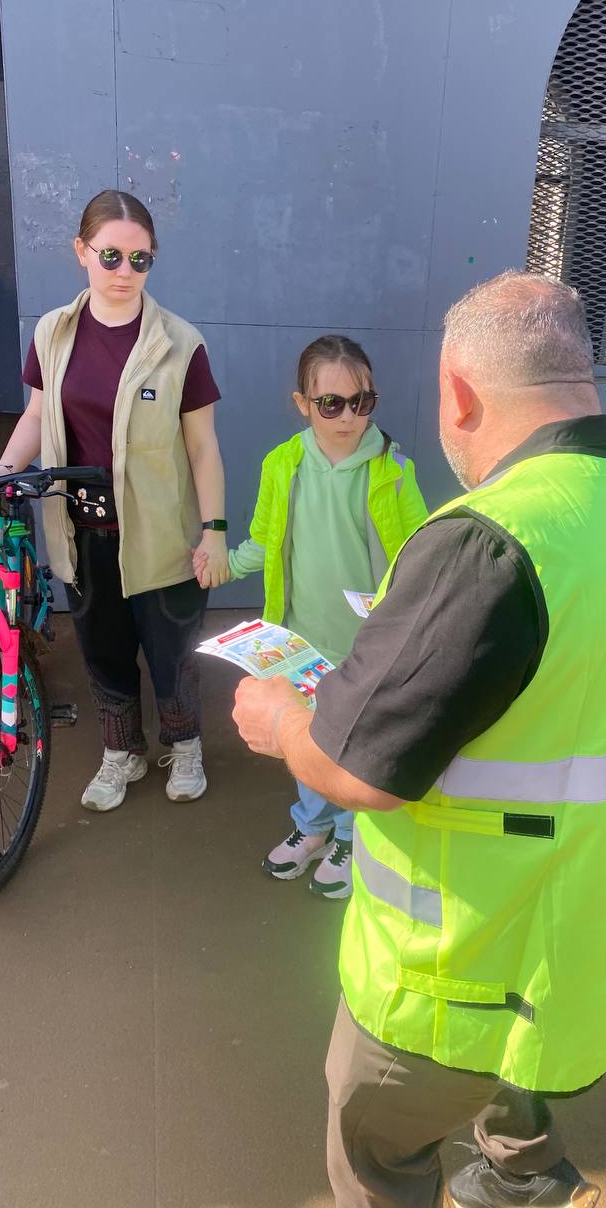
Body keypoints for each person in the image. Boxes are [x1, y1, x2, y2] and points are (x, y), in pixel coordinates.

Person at [232, 272, 606, 1207]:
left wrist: (280, 719)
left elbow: (358, 768)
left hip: (448, 981)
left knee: (375, 1158)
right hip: (572, 954)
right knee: (513, 1115)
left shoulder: (486, 542)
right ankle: (525, 1180)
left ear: (459, 394)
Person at [0, 189, 230, 812]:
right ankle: (121, 753)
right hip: (82, 530)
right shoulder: (54, 333)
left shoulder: (180, 343)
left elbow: (203, 448)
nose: (124, 271)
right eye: (110, 255)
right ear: (81, 251)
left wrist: (214, 530)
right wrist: (4, 470)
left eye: (140, 259)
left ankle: (184, 745)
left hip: (162, 532)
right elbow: (37, 415)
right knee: (104, 649)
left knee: (172, 650)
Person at [196, 335, 427, 899]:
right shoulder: (283, 465)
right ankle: (314, 827)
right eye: (331, 404)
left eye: (361, 402)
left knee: (351, 747)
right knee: (302, 738)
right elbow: (265, 541)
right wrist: (223, 565)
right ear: (302, 404)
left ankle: (352, 837)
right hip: (299, 638)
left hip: (367, 647)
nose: (348, 416)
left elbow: (419, 552)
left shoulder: (393, 469)